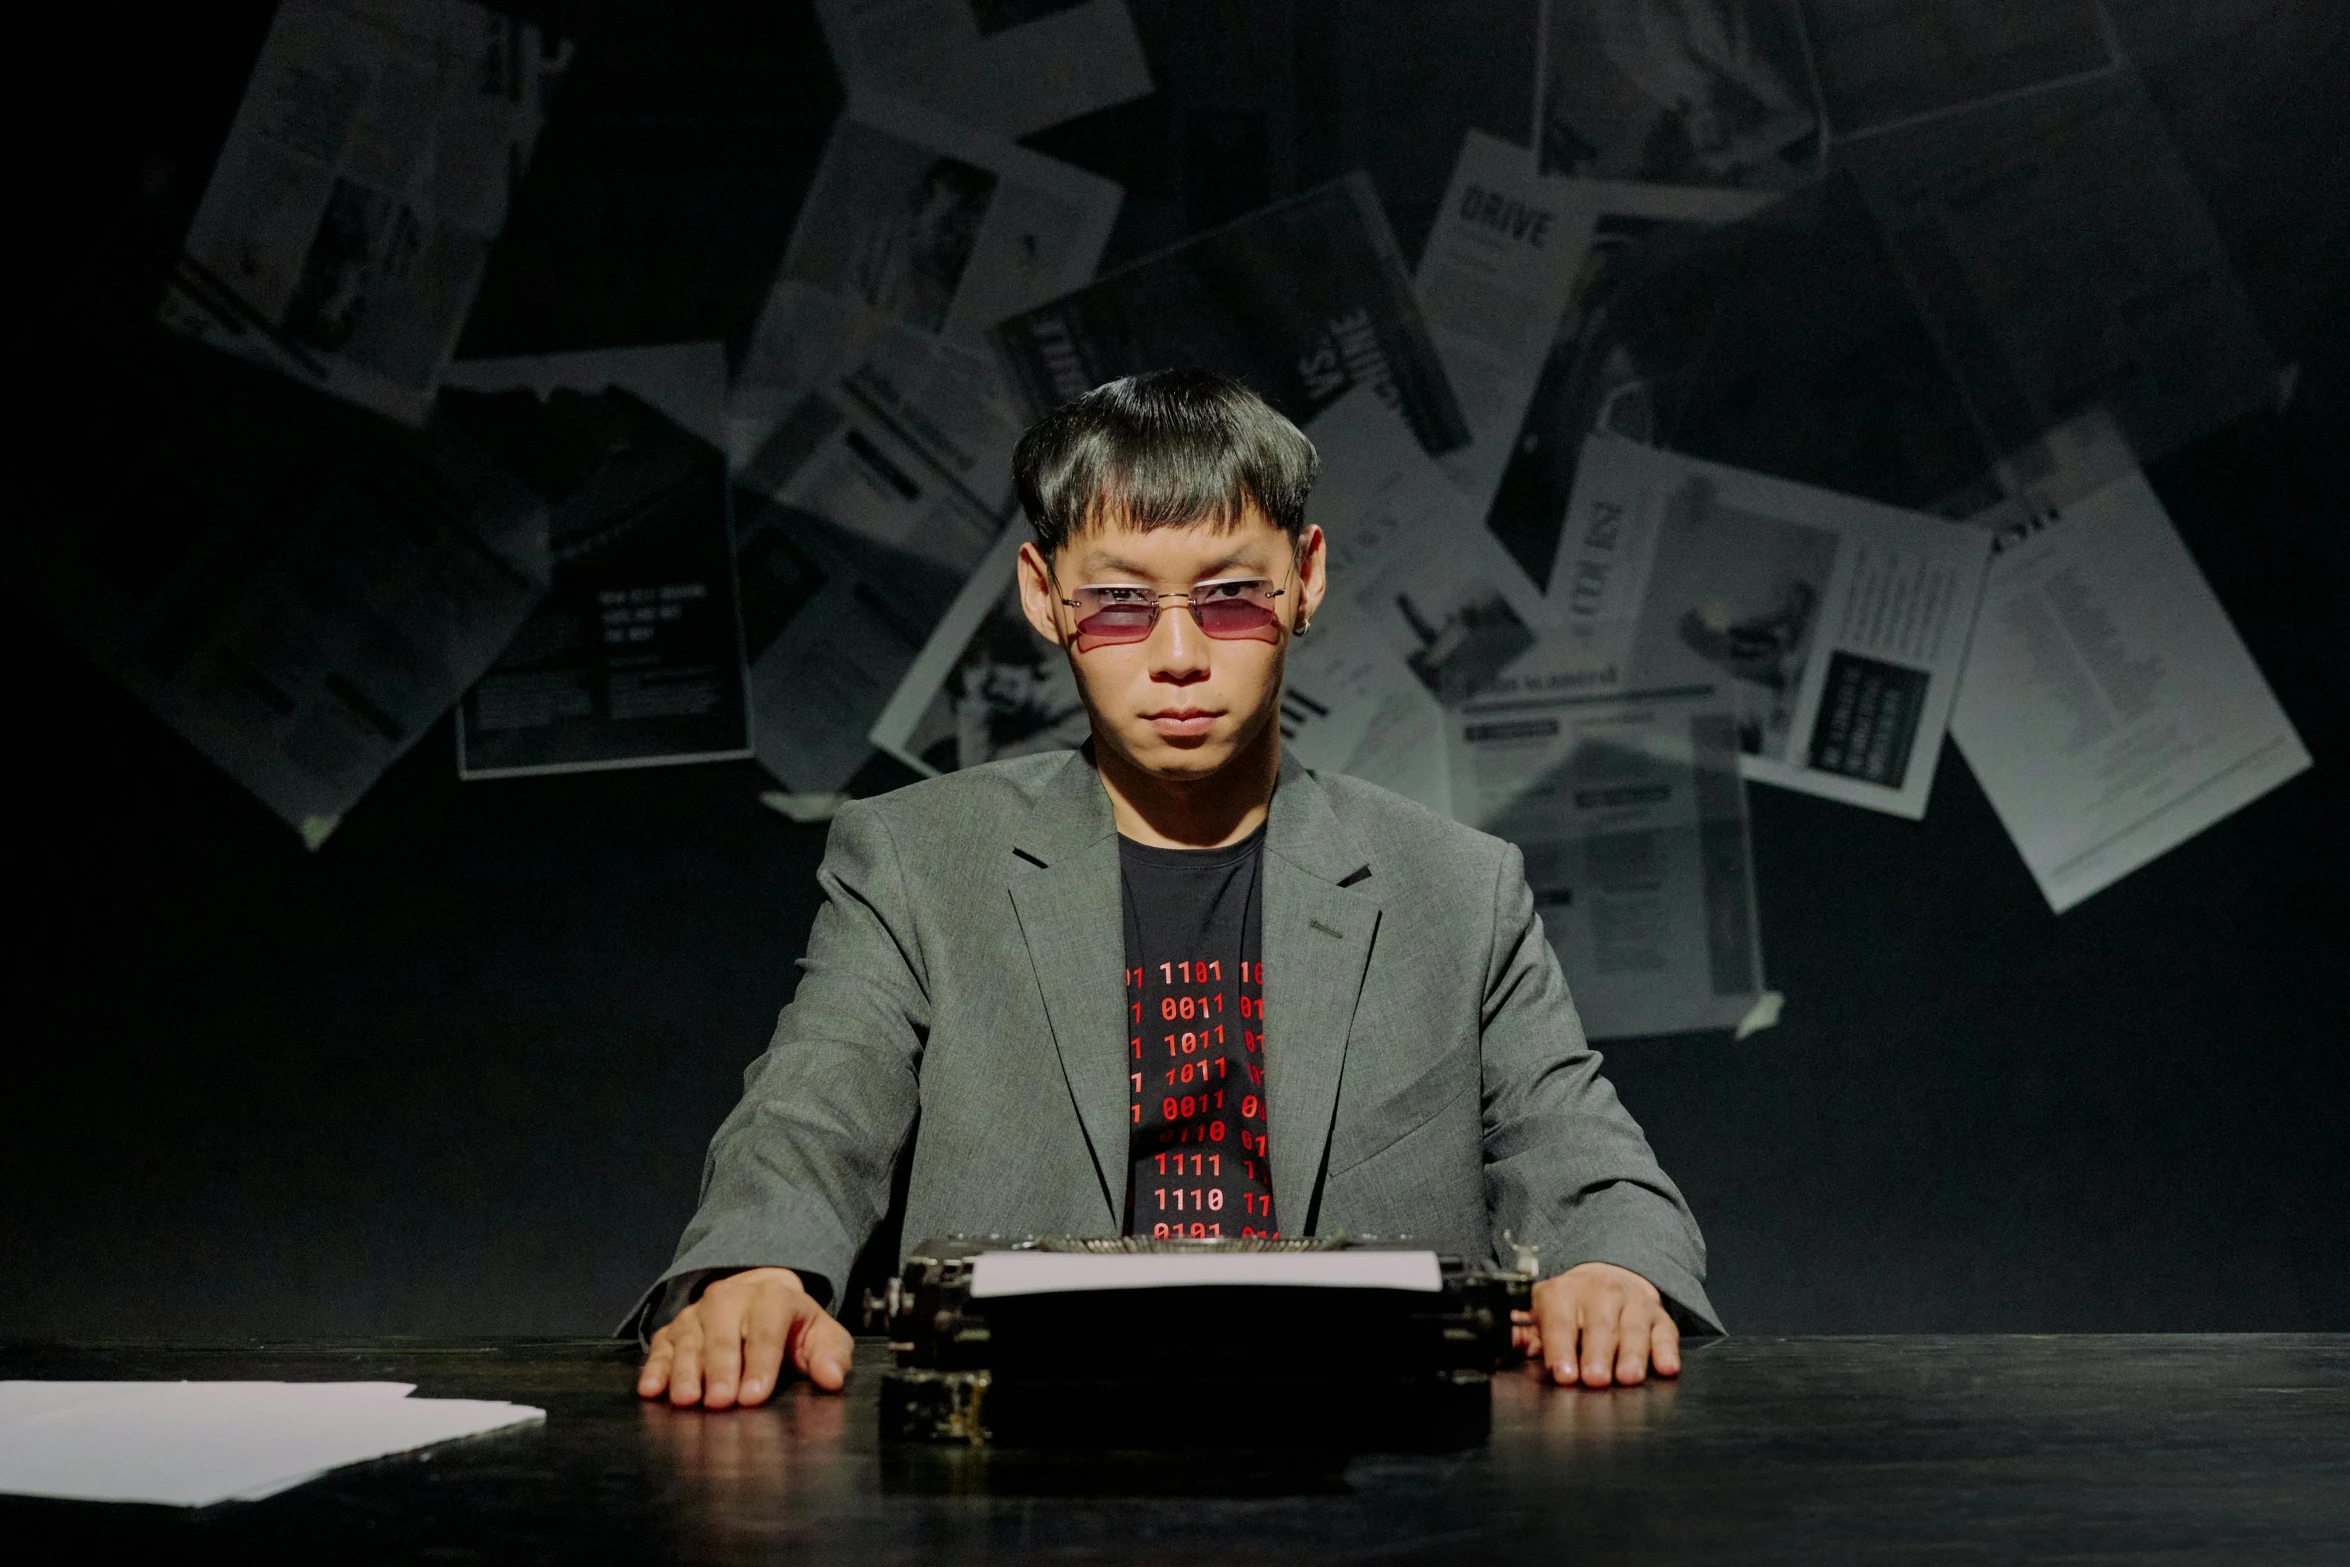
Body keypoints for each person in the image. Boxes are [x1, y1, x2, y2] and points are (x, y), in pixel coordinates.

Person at [632, 369, 1721, 1409]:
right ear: (1043, 595)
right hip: (1024, 1463)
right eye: (1116, 603)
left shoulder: (1454, 887)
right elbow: (813, 1109)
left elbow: (1576, 1149)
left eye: (1232, 595)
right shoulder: (919, 862)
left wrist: (1612, 1269)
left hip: (1369, 1467)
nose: (1179, 653)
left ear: (1306, 579)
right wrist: (760, 1268)